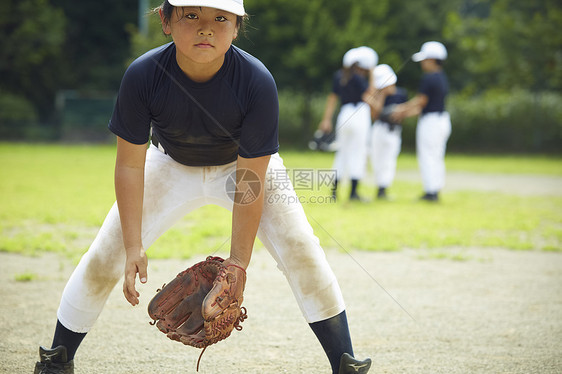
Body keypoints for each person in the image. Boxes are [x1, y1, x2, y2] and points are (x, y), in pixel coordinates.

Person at [33, 1, 372, 374]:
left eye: (220, 18)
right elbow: (130, 164)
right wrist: (133, 245)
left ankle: (345, 363)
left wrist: (238, 263)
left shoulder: (256, 81)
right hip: (169, 164)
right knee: (105, 255)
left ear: (237, 27)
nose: (206, 28)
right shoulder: (144, 75)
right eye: (191, 15)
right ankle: (57, 360)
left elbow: (250, 178)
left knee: (302, 248)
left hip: (241, 167)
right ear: (165, 20)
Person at [391, 41, 451, 202]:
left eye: (425, 59)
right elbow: (424, 105)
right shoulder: (442, 77)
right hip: (442, 120)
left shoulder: (429, 78)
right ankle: (435, 189)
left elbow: (421, 101)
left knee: (428, 156)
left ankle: (430, 192)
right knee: (437, 155)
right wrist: (405, 113)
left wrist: (400, 109)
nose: (422, 63)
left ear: (432, 59)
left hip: (430, 122)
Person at [318, 46, 377, 202]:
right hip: (359, 114)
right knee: (358, 152)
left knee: (342, 152)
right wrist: (372, 75)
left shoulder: (339, 76)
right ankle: (353, 193)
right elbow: (370, 94)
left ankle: (334, 191)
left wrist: (326, 119)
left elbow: (332, 99)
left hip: (344, 115)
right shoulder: (358, 78)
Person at [369, 64, 408, 200]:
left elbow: (404, 113)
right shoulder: (377, 95)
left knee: (389, 160)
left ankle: (383, 188)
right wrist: (382, 95)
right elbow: (375, 115)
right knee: (377, 159)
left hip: (393, 131)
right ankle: (378, 186)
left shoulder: (401, 94)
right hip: (380, 129)